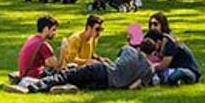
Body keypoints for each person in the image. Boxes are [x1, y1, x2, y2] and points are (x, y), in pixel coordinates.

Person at [8, 35, 158, 93]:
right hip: (108, 84)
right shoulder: (149, 68)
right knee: (79, 83)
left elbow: (119, 63)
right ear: (152, 53)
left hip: (102, 70)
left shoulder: (129, 49)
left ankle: (31, 86)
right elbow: (133, 87)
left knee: (67, 74)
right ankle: (61, 89)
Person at [12, 15, 61, 84]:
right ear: (46, 29)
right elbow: (55, 65)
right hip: (34, 76)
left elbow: (47, 63)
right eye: (53, 30)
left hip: (25, 73)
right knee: (65, 75)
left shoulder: (32, 39)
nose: (55, 33)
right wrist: (62, 52)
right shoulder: (43, 44)